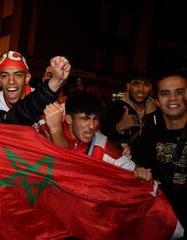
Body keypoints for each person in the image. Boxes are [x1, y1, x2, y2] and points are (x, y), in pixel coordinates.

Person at [44, 91, 152, 181]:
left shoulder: (102, 146)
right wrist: (55, 130)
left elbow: (135, 170)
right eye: (85, 118)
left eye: (95, 118)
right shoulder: (48, 131)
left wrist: (142, 172)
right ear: (69, 119)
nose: (92, 126)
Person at [134, 71, 187, 233]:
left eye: (180, 92)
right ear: (157, 101)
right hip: (162, 224)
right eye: (165, 93)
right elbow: (137, 171)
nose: (172, 98)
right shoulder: (148, 137)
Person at [101, 68, 159, 150]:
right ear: (128, 86)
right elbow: (101, 137)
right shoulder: (114, 108)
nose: (141, 89)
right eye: (136, 84)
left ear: (150, 87)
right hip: (120, 161)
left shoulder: (157, 112)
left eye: (146, 84)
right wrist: (119, 127)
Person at [0, 51, 34, 115]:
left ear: (27, 78)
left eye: (18, 75)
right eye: (5, 76)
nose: (11, 81)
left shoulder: (40, 101)